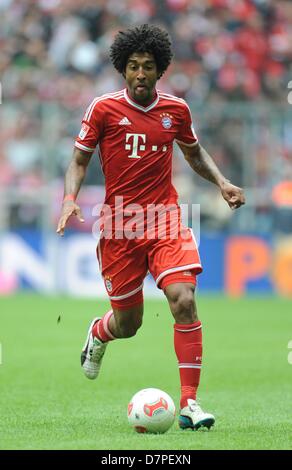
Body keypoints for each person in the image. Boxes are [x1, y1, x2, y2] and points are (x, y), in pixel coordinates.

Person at [56, 24, 245, 430]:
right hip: (119, 227)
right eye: (133, 66)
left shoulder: (176, 110)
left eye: (148, 67)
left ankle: (190, 404)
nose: (141, 73)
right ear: (123, 70)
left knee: (183, 300)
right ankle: (99, 332)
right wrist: (70, 200)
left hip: (165, 220)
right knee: (129, 324)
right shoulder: (103, 109)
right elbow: (78, 161)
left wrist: (222, 182)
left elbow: (194, 153)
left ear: (160, 71)